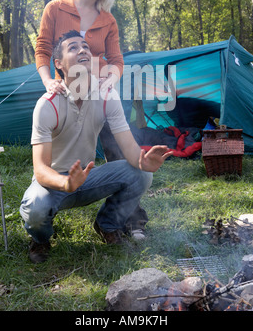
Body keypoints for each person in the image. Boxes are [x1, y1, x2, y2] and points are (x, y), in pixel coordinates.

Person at [20, 31, 171, 263]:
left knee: (141, 174)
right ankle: (41, 239)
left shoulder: (107, 95)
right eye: (73, 48)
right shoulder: (47, 105)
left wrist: (144, 161)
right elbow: (40, 170)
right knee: (35, 208)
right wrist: (66, 182)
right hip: (53, 183)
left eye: (85, 47)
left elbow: (130, 149)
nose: (82, 50)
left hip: (88, 177)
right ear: (58, 64)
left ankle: (107, 225)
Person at [35, 0, 124, 95]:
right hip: (65, 91)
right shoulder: (54, 8)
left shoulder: (109, 21)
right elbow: (42, 50)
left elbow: (116, 60)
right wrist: (48, 81)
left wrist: (110, 81)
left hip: (100, 93)